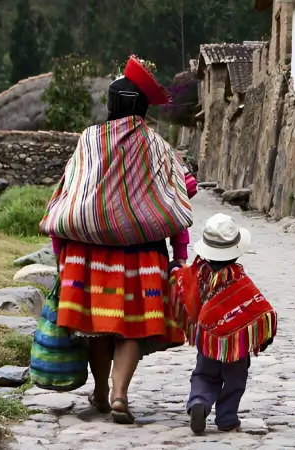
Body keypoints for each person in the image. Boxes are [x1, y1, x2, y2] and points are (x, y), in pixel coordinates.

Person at [46, 56, 193, 424]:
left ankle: (98, 391)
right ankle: (119, 394)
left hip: (87, 254)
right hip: (141, 256)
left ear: (111, 106)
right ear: (142, 108)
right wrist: (179, 255)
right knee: (129, 329)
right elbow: (175, 198)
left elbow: (69, 194)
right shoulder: (156, 147)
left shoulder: (89, 142)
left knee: (98, 327)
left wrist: (60, 255)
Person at [170, 213, 278, 435]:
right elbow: (258, 308)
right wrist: (263, 335)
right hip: (236, 345)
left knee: (203, 374)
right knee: (235, 380)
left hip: (207, 340)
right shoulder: (238, 278)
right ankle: (227, 418)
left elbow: (181, 284)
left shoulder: (198, 274)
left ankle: (199, 402)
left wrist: (173, 268)